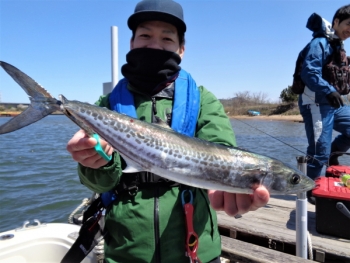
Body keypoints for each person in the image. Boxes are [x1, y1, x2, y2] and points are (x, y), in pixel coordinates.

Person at [66, 0, 269, 262]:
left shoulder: (202, 100)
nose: (154, 45)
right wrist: (94, 164)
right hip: (126, 250)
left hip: (195, 248)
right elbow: (99, 183)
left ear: (181, 49)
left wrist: (225, 184)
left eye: (167, 38)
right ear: (132, 43)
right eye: (145, 35)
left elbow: (222, 149)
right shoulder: (107, 105)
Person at [297, 5, 350, 204]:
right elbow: (309, 73)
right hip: (315, 103)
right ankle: (311, 189)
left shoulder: (338, 47)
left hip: (334, 104)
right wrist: (329, 90)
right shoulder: (319, 43)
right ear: (335, 22)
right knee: (320, 150)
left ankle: (332, 157)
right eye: (348, 25)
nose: (349, 30)